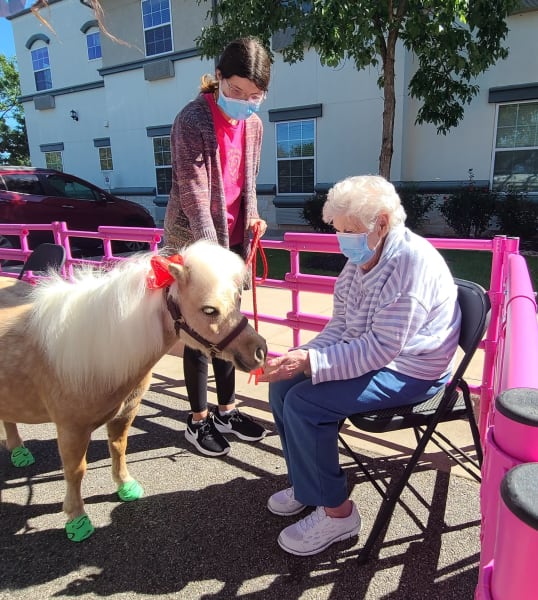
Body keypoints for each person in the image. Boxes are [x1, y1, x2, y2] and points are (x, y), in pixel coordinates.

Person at [258, 175, 461, 556]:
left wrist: (312, 362)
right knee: (284, 385)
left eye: (350, 229)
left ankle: (339, 515)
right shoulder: (365, 255)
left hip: (414, 371)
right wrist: (301, 356)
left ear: (382, 221)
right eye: (338, 230)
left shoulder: (410, 263)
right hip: (386, 357)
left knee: (305, 403)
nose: (342, 238)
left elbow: (382, 348)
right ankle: (309, 486)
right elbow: (342, 325)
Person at [164, 37, 271, 458]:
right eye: (236, 91)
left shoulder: (255, 125)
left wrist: (254, 216)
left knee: (230, 328)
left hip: (233, 241)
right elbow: (193, 198)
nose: (244, 102)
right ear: (219, 78)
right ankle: (197, 420)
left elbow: (248, 184)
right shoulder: (191, 121)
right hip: (195, 243)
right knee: (201, 330)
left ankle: (227, 410)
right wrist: (220, 267)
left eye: (255, 96)